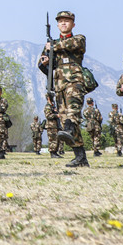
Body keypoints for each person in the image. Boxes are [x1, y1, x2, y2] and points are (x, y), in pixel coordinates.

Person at [39, 11, 89, 168]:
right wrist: (46, 62)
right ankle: (80, 156)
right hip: (59, 85)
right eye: (61, 21)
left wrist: (53, 47)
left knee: (73, 113)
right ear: (57, 25)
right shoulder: (51, 45)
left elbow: (74, 45)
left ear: (73, 24)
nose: (63, 23)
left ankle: (70, 133)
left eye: (67, 21)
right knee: (64, 119)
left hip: (75, 81)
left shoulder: (78, 39)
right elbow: (43, 66)